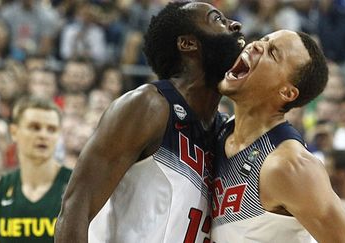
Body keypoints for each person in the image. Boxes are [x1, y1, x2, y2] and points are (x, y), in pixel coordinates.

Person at [55, 1, 244, 243]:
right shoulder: (148, 106)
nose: (235, 25)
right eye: (217, 19)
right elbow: (75, 207)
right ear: (187, 43)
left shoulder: (222, 131)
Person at [211, 30, 345, 243]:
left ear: (287, 92)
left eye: (272, 53)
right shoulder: (216, 133)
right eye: (264, 40)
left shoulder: (289, 165)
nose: (256, 46)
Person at [0, 96, 71, 243]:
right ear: (14, 132)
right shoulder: (0, 187)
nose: (43, 135)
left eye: (51, 129)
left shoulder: (75, 186)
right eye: (35, 127)